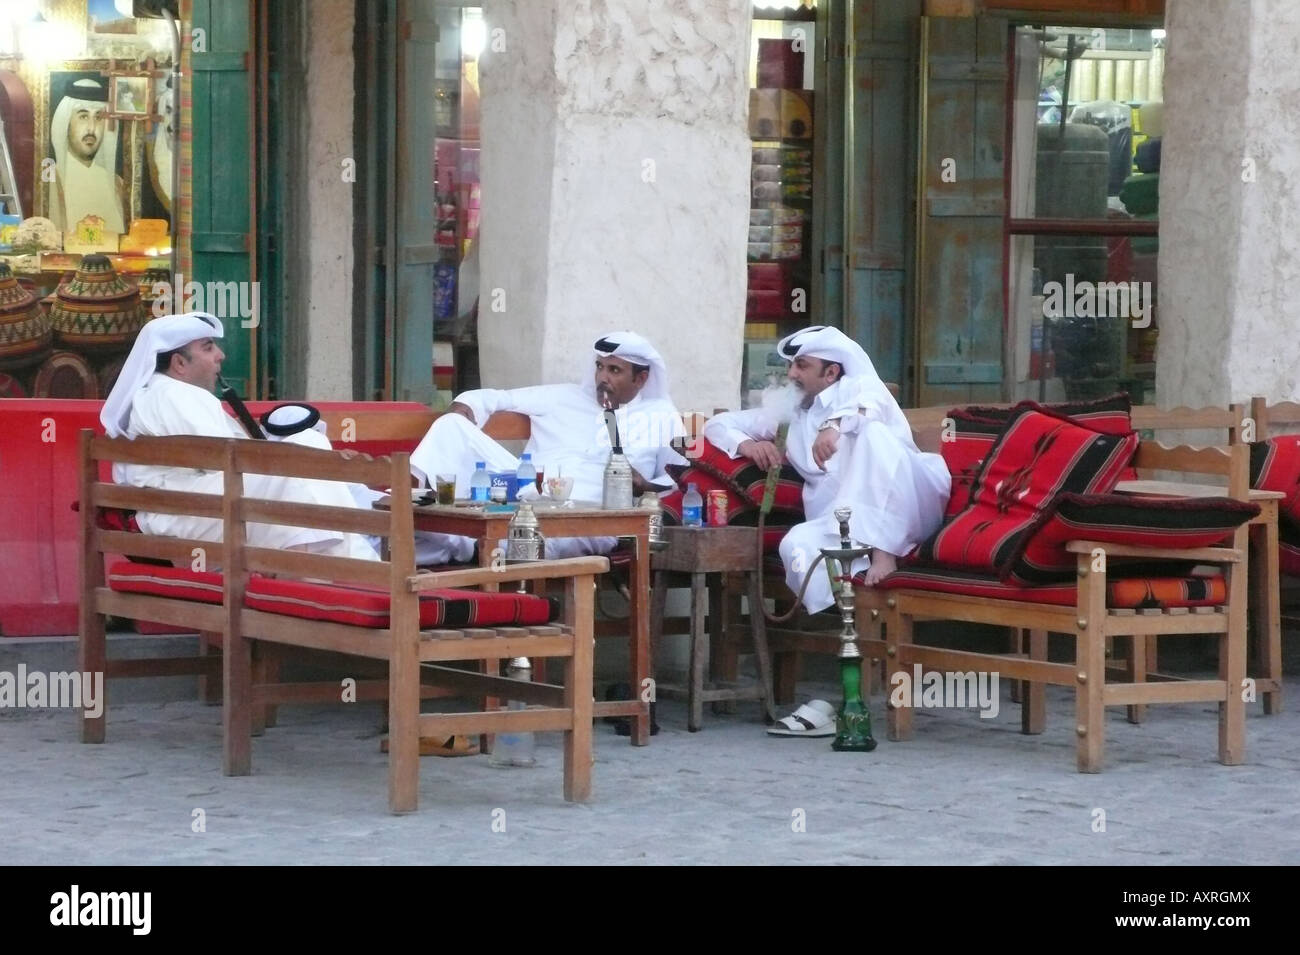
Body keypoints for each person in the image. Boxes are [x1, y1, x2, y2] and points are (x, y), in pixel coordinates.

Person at [704, 325, 950, 615]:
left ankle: (885, 553)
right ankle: (849, 615)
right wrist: (746, 444)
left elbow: (866, 408)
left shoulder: (859, 387)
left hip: (908, 506)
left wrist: (833, 426)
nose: (792, 374)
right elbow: (717, 425)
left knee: (874, 435)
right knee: (794, 546)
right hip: (840, 521)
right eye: (791, 365)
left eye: (802, 365)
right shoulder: (789, 413)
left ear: (831, 373)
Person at [100, 312, 378, 561]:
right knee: (304, 466)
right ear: (179, 364)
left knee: (309, 454)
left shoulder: (164, 394)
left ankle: (337, 574)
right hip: (186, 517)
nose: (220, 355)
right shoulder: (175, 394)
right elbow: (230, 461)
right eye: (208, 348)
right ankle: (357, 574)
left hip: (196, 509)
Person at [409, 330, 686, 563]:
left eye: (614, 370)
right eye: (600, 367)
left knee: (538, 536)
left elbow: (682, 476)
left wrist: (646, 485)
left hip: (592, 518)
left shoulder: (661, 415)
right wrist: (464, 407)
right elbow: (497, 398)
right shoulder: (563, 396)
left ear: (641, 379)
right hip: (525, 491)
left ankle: (443, 535)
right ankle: (418, 509)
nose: (603, 377)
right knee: (451, 426)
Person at [47, 78, 127, 235]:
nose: (92, 128)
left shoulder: (117, 184)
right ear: (66, 123)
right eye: (83, 117)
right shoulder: (50, 180)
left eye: (98, 118)